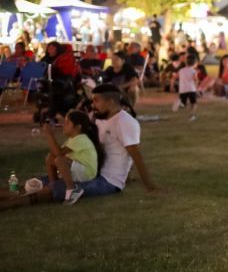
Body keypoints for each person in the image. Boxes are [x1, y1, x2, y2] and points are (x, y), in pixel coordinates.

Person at [0, 84, 160, 212]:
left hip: (107, 181)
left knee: (51, 189)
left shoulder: (125, 122)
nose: (93, 104)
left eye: (96, 100)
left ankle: (9, 204)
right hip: (87, 171)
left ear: (110, 102)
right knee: (36, 184)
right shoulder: (99, 119)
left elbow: (135, 156)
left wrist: (150, 187)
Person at [39, 110, 103, 205]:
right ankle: (54, 185)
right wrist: (50, 134)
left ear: (78, 127)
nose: (63, 125)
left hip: (87, 172)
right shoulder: (72, 139)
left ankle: (72, 189)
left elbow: (58, 153)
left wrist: (49, 134)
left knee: (60, 160)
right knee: (50, 158)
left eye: (67, 123)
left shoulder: (81, 138)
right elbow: (55, 153)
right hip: (79, 169)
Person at [172, 53, 199, 120]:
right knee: (193, 103)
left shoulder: (181, 70)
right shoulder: (193, 71)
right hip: (191, 89)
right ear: (194, 63)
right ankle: (192, 115)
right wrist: (197, 87)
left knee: (184, 103)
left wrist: (172, 86)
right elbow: (195, 80)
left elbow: (174, 78)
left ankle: (180, 104)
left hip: (182, 89)